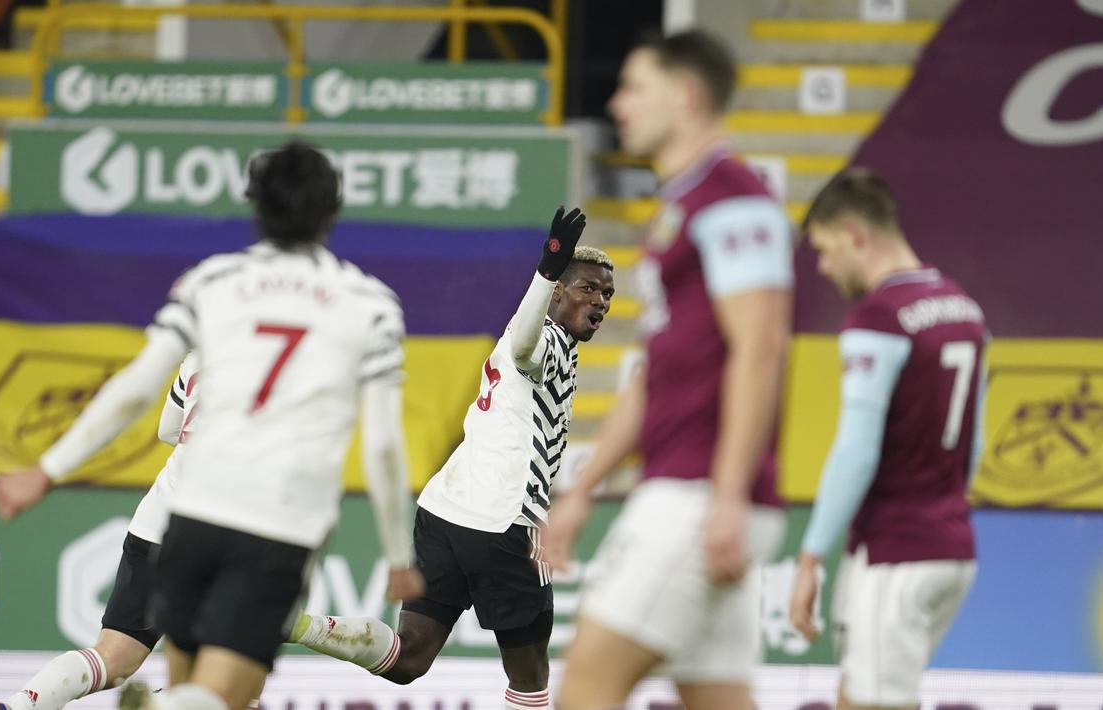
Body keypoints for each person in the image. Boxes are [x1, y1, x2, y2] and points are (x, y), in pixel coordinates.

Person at [0, 141, 424, 710]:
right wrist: (396, 553)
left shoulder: (211, 282)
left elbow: (136, 389)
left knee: (188, 682)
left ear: (255, 208)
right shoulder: (370, 305)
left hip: (189, 516)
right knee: (230, 694)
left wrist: (47, 470)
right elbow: (386, 446)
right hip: (278, 524)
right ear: (333, 212)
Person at [542, 29, 794, 710]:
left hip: (696, 497)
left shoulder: (733, 200)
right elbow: (657, 372)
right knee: (715, 698)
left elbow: (761, 348)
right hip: (695, 491)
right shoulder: (683, 207)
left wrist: (727, 493)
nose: (617, 105)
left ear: (683, 96)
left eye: (633, 88)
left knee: (586, 686)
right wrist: (582, 488)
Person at [289, 207, 615, 710]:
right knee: (530, 679)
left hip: (443, 511)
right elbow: (527, 345)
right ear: (556, 292)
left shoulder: (560, 345)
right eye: (588, 288)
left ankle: (296, 623)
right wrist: (546, 267)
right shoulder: (543, 338)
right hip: (506, 520)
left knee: (408, 659)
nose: (601, 301)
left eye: (607, 294)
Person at [788, 168, 986, 710]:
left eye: (826, 251)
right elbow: (976, 446)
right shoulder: (964, 308)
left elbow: (856, 451)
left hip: (896, 554)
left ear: (855, 234)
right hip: (952, 549)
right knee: (858, 695)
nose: (824, 269)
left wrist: (809, 559)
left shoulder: (879, 316)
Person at [0, 357, 214, 710]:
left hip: (157, 524)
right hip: (224, 528)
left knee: (112, 658)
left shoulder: (200, 351)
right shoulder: (300, 355)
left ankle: (17, 707)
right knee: (232, 682)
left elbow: (169, 429)